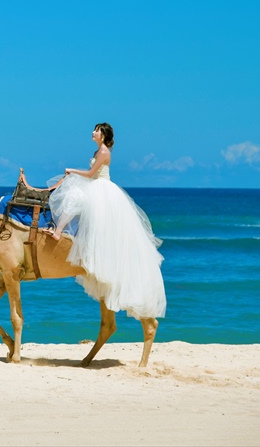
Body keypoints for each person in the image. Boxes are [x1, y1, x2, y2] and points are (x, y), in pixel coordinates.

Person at [44, 123, 167, 319]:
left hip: (102, 189)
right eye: (94, 129)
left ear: (103, 135)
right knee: (74, 196)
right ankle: (63, 231)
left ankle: (59, 232)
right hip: (97, 186)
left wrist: (72, 171)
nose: (93, 132)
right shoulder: (97, 150)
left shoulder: (103, 152)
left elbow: (92, 174)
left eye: (97, 130)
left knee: (74, 197)